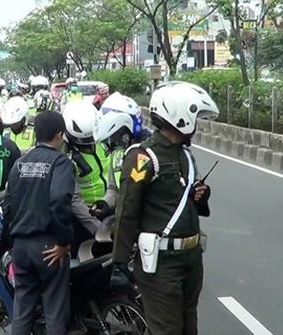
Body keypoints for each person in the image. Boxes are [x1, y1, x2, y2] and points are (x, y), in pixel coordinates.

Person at [112, 82, 219, 335]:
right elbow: (126, 211)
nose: (196, 124)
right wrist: (119, 263)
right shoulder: (142, 157)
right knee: (167, 331)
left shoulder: (184, 155)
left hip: (191, 258)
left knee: (188, 328)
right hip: (161, 265)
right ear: (179, 116)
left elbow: (181, 199)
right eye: (194, 117)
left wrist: (200, 196)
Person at [2, 111, 75, 335]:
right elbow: (60, 200)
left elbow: (7, 206)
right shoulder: (61, 163)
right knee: (54, 308)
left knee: (22, 309)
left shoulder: (20, 163)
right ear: (60, 134)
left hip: (20, 247)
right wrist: (63, 241)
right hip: (49, 247)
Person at [90, 92, 150, 219]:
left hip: (151, 224)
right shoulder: (118, 153)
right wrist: (105, 203)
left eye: (112, 139)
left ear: (124, 134)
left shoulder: (152, 152)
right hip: (125, 219)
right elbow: (113, 188)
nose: (110, 145)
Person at [61, 100, 109, 206]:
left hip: (110, 203)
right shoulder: (65, 157)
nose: (89, 144)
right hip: (85, 210)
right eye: (83, 142)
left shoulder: (105, 140)